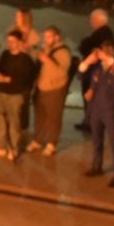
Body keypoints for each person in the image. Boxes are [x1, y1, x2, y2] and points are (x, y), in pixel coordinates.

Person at [80, 40, 114, 177]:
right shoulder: (97, 67)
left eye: (109, 49)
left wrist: (107, 58)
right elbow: (81, 74)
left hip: (110, 109)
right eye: (103, 49)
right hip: (96, 108)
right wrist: (88, 61)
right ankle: (97, 166)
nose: (105, 51)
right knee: (96, 140)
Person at [0, 30, 36, 160]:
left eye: (12, 41)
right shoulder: (5, 54)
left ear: (20, 42)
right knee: (1, 121)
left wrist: (6, 79)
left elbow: (23, 78)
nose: (9, 44)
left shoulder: (26, 60)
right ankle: (0, 146)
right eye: (8, 41)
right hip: (2, 92)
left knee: (14, 123)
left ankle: (13, 148)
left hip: (15, 95)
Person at [29, 26, 72, 156]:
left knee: (54, 116)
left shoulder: (64, 52)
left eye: (48, 36)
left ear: (57, 37)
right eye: (45, 37)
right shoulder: (45, 49)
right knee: (40, 115)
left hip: (55, 88)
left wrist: (47, 60)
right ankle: (37, 140)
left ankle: (52, 143)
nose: (46, 39)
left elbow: (62, 72)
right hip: (41, 86)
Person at [75, 8, 114, 133]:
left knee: (90, 96)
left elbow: (85, 47)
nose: (91, 22)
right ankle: (90, 120)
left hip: (94, 72)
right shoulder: (106, 33)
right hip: (95, 71)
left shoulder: (101, 34)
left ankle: (90, 122)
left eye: (92, 19)